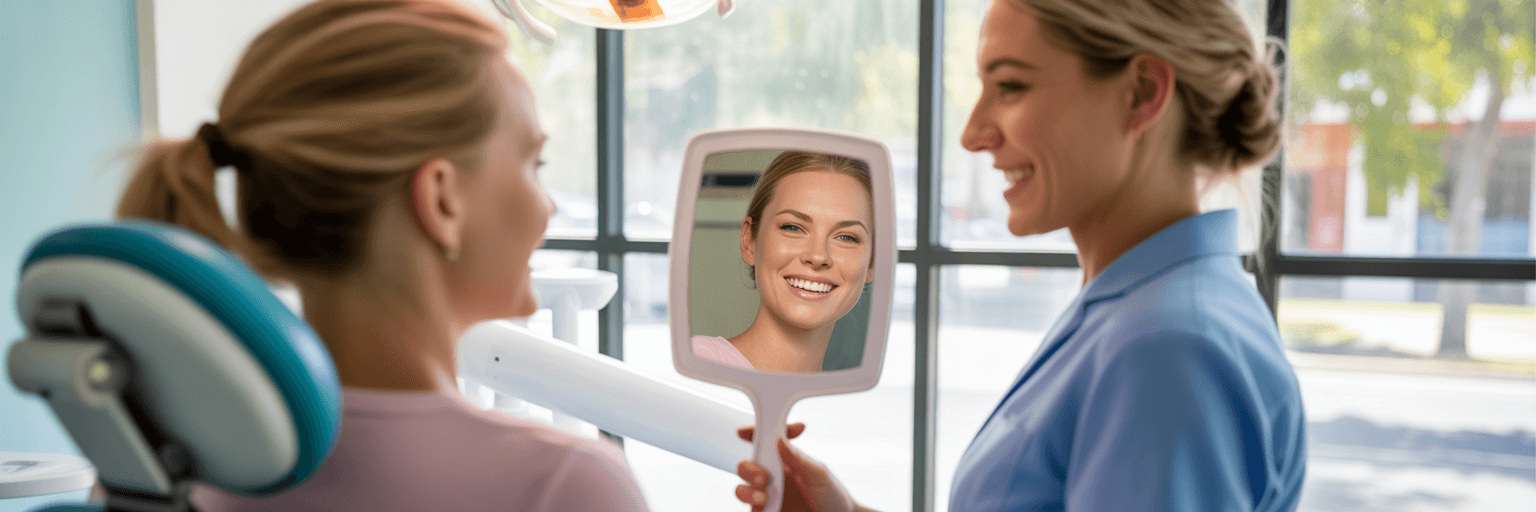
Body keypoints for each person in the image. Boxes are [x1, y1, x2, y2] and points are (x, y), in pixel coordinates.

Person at [733, 0, 1306, 510]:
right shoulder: (1146, 309)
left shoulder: (1166, 349)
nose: (973, 132)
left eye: (1009, 87)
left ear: (1142, 95)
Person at [112, 1, 647, 510]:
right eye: (536, 163)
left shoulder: (165, 479)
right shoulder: (567, 487)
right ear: (442, 199)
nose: (548, 206)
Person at [691, 151, 875, 373]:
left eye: (846, 237)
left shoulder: (840, 401)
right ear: (749, 241)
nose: (818, 256)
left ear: (872, 263)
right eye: (793, 228)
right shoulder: (698, 363)